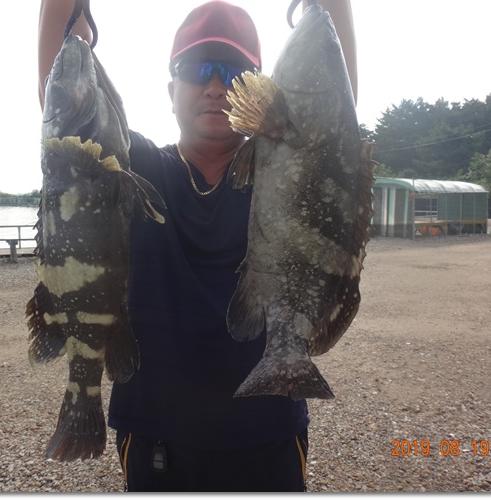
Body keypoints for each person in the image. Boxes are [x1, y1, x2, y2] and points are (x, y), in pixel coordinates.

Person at [38, 0, 357, 492]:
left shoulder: (289, 172)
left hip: (268, 432)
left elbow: (334, 113)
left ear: (264, 95)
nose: (214, 86)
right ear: (171, 91)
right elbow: (66, 100)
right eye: (195, 69)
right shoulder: (132, 167)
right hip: (155, 439)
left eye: (232, 71)